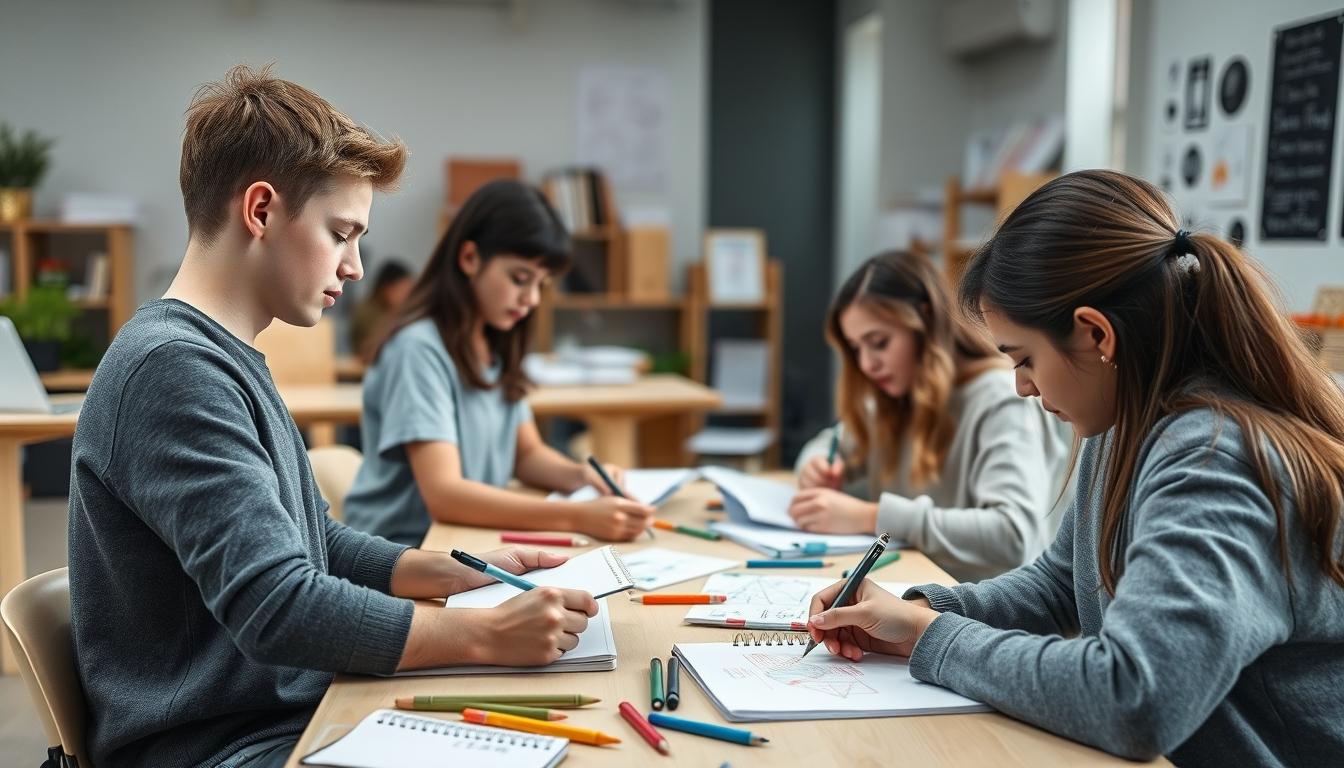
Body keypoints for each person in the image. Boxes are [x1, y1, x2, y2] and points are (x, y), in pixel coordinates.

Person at [68, 65, 597, 768]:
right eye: (342, 232)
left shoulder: (223, 356)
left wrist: (459, 572)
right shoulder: (171, 370)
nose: (355, 266)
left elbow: (315, 540)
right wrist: (484, 636)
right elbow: (278, 605)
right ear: (260, 210)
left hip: (285, 715)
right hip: (225, 746)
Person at [805, 170, 1344, 764]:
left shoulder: (1216, 458)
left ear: (1095, 334)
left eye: (1025, 358)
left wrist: (934, 639)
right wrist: (925, 612)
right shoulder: (1126, 415)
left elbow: (1135, 697)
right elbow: (1063, 584)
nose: (1021, 387)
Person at [342, 179, 653, 546]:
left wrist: (581, 476)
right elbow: (445, 495)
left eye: (542, 284)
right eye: (520, 278)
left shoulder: (495, 341)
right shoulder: (418, 350)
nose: (532, 298)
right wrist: (576, 516)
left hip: (467, 539)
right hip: (405, 552)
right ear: (470, 258)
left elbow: (527, 454)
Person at [791, 250, 1070, 581]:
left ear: (924, 322)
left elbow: (1012, 536)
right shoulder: (892, 398)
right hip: (917, 595)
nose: (867, 364)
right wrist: (815, 466)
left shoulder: (1002, 399)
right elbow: (827, 445)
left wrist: (873, 517)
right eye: (855, 349)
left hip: (985, 618)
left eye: (879, 342)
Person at [350, 259, 412, 358]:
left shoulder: (399, 312)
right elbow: (371, 348)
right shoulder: (367, 311)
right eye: (402, 289)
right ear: (385, 288)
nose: (406, 295)